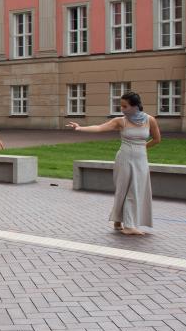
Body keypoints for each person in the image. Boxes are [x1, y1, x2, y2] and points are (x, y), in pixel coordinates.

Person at [66, 92, 160, 235]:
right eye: (120, 105)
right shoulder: (120, 121)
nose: (122, 109)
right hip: (124, 158)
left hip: (141, 159)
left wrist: (141, 148)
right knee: (123, 189)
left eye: (125, 106)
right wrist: (80, 128)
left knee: (136, 190)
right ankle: (128, 226)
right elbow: (99, 128)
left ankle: (119, 221)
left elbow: (157, 139)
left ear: (135, 106)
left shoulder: (150, 120)